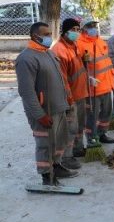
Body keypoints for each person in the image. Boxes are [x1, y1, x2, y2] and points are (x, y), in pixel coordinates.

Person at [16, 22, 78, 185]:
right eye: (45, 34)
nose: (49, 37)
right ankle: (46, 175)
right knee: (45, 144)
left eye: (50, 33)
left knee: (59, 140)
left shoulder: (48, 53)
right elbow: (26, 91)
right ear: (35, 36)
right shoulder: (26, 58)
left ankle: (56, 166)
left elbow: (61, 78)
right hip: (44, 111)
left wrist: (68, 97)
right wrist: (39, 115)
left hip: (58, 106)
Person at [51, 18, 87, 169]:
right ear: (65, 32)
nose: (77, 33)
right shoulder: (59, 50)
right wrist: (69, 99)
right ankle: (66, 157)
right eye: (73, 30)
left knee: (79, 126)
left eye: (78, 29)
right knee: (70, 129)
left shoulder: (74, 46)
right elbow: (62, 80)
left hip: (79, 94)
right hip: (69, 97)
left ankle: (77, 149)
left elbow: (76, 70)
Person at [77, 20, 114, 144]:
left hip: (106, 84)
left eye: (95, 26)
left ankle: (102, 133)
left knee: (106, 112)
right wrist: (87, 78)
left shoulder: (100, 41)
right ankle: (91, 138)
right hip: (93, 87)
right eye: (90, 26)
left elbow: (106, 60)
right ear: (83, 29)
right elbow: (78, 66)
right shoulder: (79, 44)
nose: (94, 28)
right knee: (92, 116)